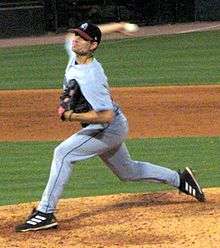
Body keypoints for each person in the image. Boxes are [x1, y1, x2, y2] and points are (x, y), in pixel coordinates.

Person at [15, 22, 205, 232]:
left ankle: (45, 213)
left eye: (82, 38)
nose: (75, 40)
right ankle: (181, 179)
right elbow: (75, 38)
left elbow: (106, 115)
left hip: (107, 128)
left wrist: (70, 115)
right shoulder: (76, 53)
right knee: (128, 171)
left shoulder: (91, 77)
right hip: (113, 125)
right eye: (77, 35)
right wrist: (118, 26)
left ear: (93, 45)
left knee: (63, 153)